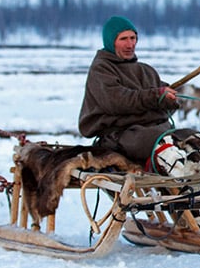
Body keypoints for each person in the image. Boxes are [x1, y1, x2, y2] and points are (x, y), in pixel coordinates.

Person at [78, 16, 188, 173]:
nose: (130, 44)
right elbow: (117, 101)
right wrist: (156, 96)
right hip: (121, 136)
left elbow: (164, 98)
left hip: (157, 130)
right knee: (159, 143)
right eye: (123, 39)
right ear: (111, 41)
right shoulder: (101, 70)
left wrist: (170, 100)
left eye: (133, 38)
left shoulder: (146, 70)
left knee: (195, 139)